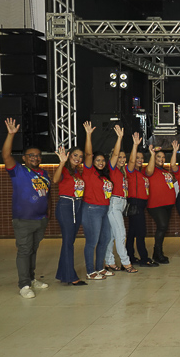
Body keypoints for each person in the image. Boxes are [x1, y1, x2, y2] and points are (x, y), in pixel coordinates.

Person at [3, 118, 51, 298]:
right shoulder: (18, 170)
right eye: (31, 155)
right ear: (24, 158)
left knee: (33, 250)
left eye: (38, 155)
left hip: (40, 220)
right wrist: (11, 135)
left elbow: (47, 194)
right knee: (24, 251)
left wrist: (47, 213)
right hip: (23, 220)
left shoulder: (44, 173)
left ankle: (31, 279)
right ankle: (24, 285)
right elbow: (6, 155)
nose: (35, 158)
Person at [81, 121, 114, 280]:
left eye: (102, 160)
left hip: (104, 209)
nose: (101, 163)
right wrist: (88, 135)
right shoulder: (88, 172)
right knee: (92, 241)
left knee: (105, 239)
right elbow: (88, 154)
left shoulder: (105, 175)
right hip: (91, 209)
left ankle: (100, 267)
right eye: (97, 160)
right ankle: (90, 271)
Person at [105, 125, 138, 274]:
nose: (122, 159)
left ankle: (109, 261)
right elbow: (115, 154)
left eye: (124, 157)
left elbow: (132, 161)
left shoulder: (123, 172)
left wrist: (135, 145)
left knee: (113, 235)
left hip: (121, 203)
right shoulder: (112, 169)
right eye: (119, 157)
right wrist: (119, 138)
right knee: (121, 234)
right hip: (114, 203)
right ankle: (126, 263)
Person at [53, 146, 86, 286]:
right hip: (66, 205)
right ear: (69, 155)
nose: (78, 158)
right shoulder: (64, 169)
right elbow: (55, 180)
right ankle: (71, 276)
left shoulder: (78, 172)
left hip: (77, 205)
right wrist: (62, 162)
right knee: (68, 241)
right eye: (75, 155)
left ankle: (63, 274)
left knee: (69, 241)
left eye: (80, 156)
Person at [126, 133, 158, 267]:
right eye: (137, 157)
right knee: (140, 232)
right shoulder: (130, 171)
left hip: (141, 204)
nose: (139, 160)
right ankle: (144, 258)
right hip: (135, 203)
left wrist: (152, 154)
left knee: (132, 232)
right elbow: (131, 161)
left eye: (141, 158)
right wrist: (135, 145)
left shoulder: (142, 173)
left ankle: (130, 257)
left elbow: (150, 170)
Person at [146, 141, 179, 264]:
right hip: (156, 204)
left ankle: (158, 252)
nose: (161, 159)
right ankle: (157, 252)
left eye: (163, 157)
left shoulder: (165, 171)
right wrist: (152, 154)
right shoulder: (150, 169)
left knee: (163, 228)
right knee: (162, 226)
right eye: (158, 157)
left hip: (168, 204)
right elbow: (149, 172)